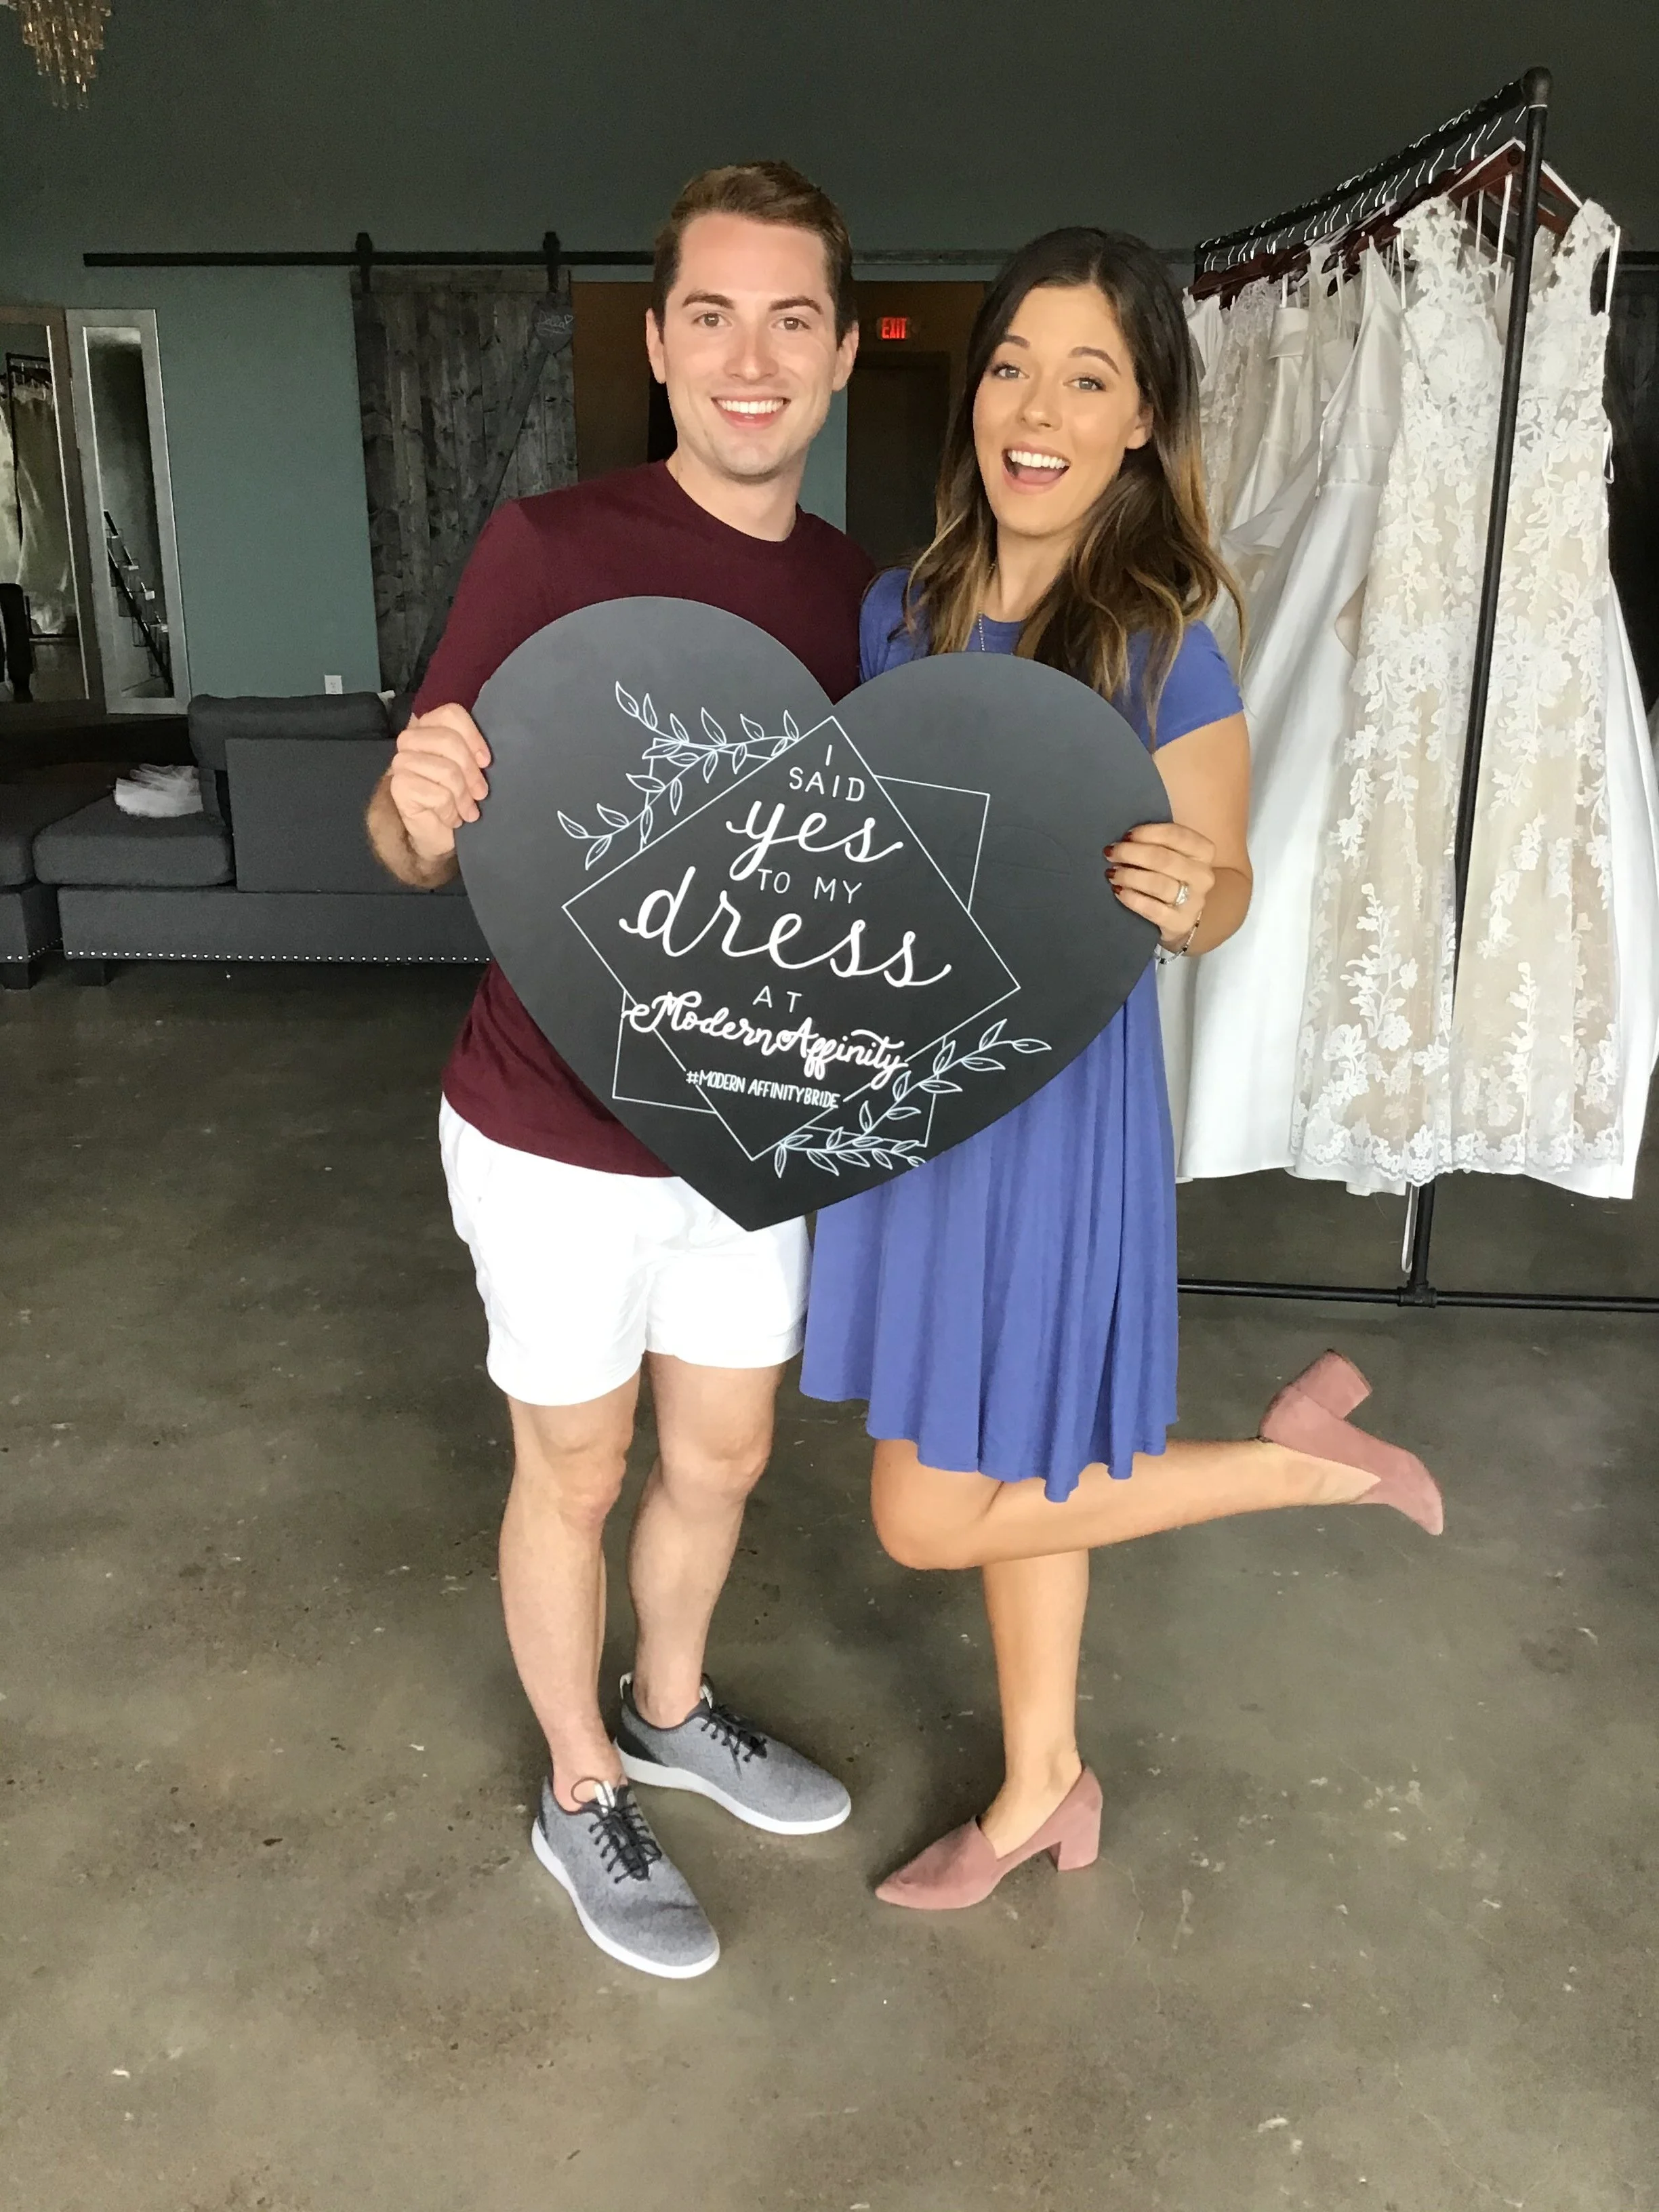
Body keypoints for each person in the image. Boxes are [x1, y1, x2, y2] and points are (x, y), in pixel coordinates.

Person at [800, 228, 1443, 1912]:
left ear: (1145, 420)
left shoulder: (1162, 639)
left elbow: (1220, 893)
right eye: (1015, 363)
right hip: (911, 1094)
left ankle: (1303, 1466)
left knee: (934, 1516)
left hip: (1047, 1120)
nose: (1040, 407)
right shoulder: (899, 608)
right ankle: (1040, 1791)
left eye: (1090, 379)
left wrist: (1192, 887)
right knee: (1026, 1468)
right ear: (976, 389)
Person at [367, 161, 872, 1979]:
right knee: (574, 1466)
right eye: (713, 316)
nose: (752, 357)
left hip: (743, 1130)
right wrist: (414, 806)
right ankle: (580, 1789)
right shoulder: (551, 552)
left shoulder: (866, 599)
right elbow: (419, 838)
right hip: (551, 1131)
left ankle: (668, 1705)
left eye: (790, 318)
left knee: (721, 1457)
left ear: (836, 354)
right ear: (658, 344)